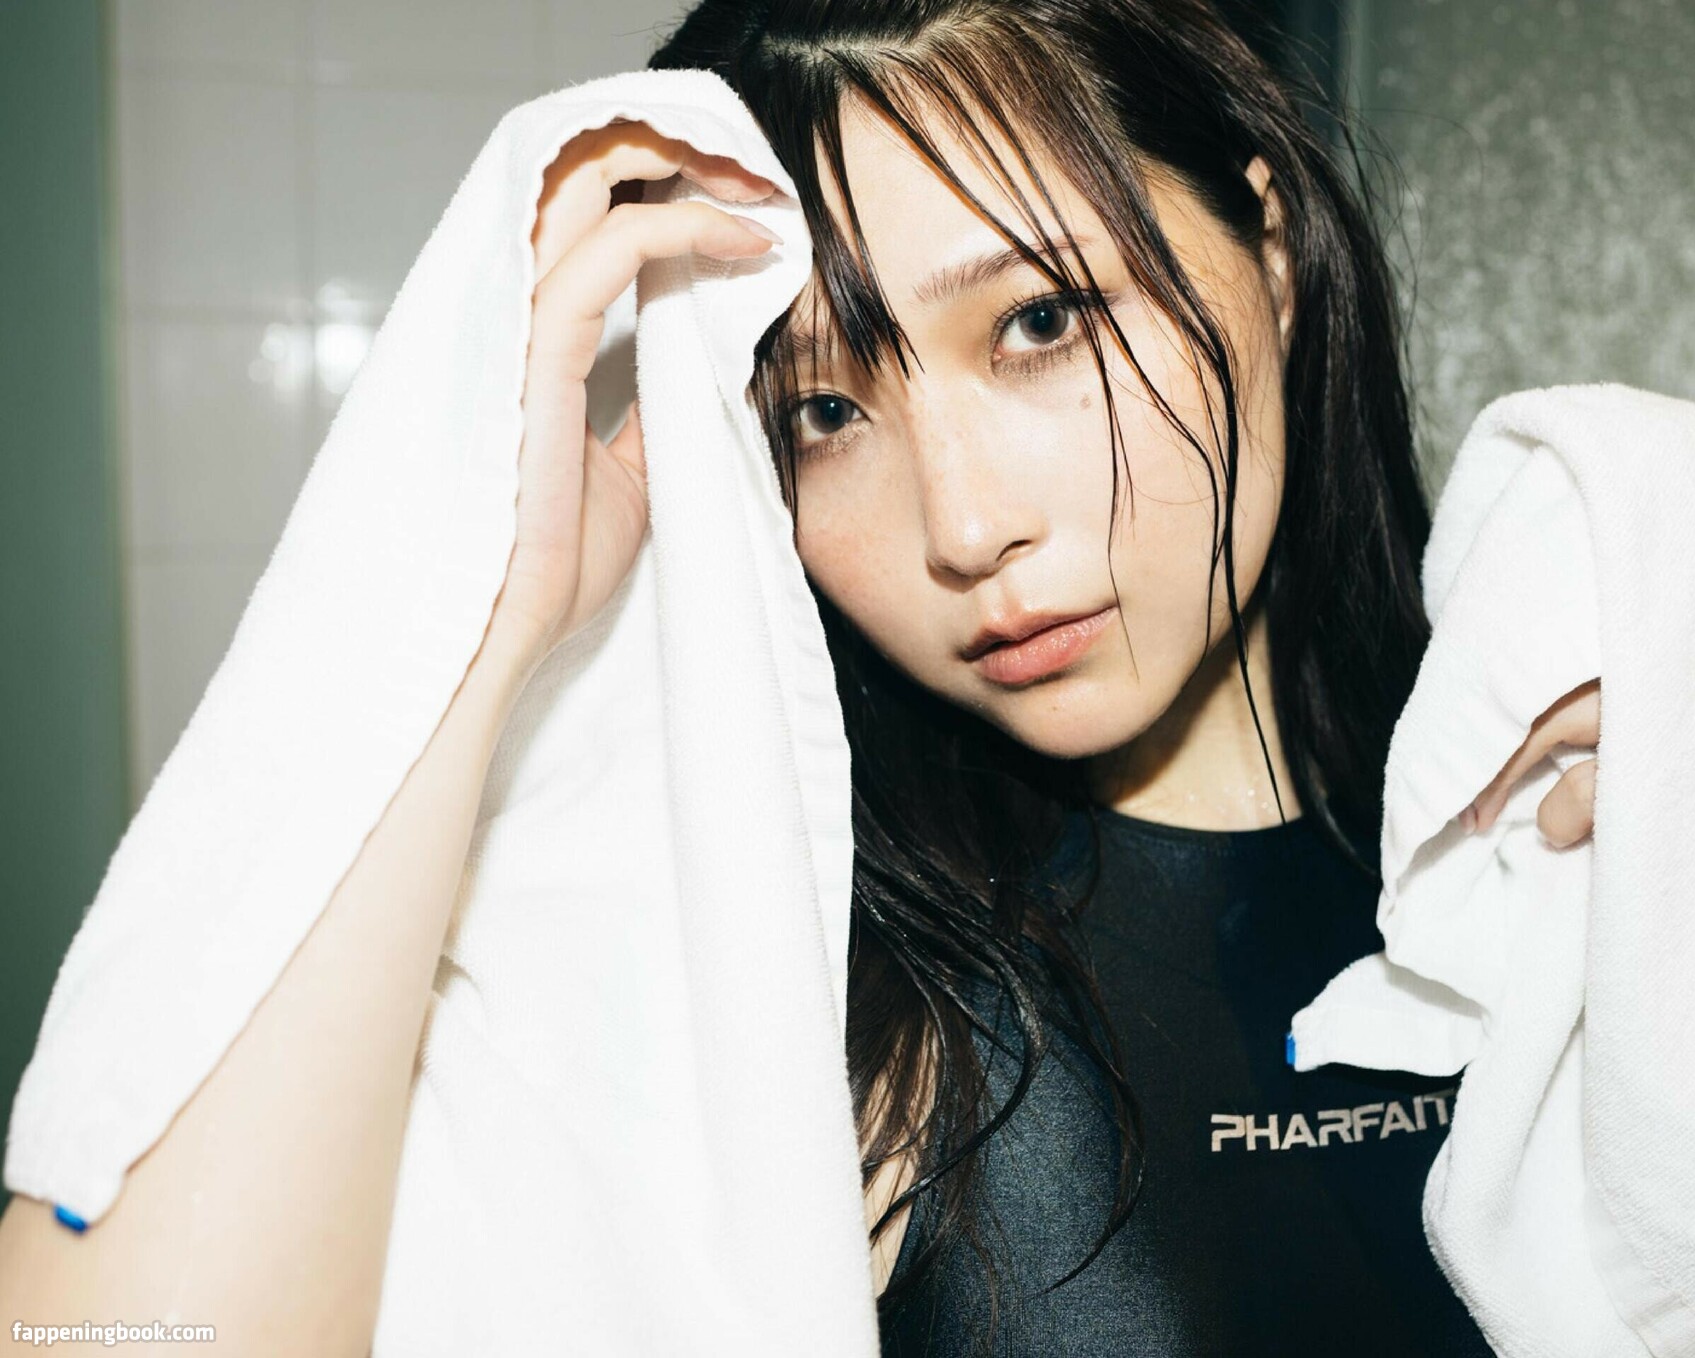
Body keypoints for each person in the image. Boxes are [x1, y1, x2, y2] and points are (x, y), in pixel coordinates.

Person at [0, 0, 1600, 1353]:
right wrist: (480, 634)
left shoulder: (1577, 805)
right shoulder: (803, 993)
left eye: (1040, 319)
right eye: (821, 412)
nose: (964, 525)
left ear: (1273, 246)